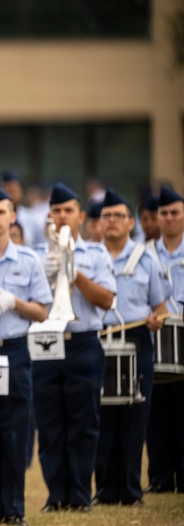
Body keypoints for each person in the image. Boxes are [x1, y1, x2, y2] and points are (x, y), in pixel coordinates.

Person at [0, 184, 51, 526]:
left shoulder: (28, 260)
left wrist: (14, 302)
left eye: (2, 211)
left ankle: (13, 508)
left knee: (15, 429)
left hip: (14, 349)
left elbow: (42, 311)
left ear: (13, 215)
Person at [33, 183, 115, 513]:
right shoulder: (37, 256)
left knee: (84, 423)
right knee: (50, 424)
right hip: (47, 343)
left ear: (81, 216)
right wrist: (50, 272)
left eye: (68, 210)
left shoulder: (96, 254)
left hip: (83, 342)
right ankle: (56, 495)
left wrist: (73, 271)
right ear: (49, 216)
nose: (62, 216)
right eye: (56, 211)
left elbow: (106, 300)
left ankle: (80, 494)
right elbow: (33, 304)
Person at [95, 189, 168, 506]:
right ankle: (104, 489)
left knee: (134, 415)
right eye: (106, 216)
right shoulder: (90, 257)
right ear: (99, 223)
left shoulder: (146, 259)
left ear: (130, 222)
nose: (112, 221)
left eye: (119, 216)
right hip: (98, 338)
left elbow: (160, 308)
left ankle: (129, 489)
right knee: (101, 416)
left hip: (136, 340)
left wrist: (156, 320)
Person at [147, 186, 184, 493]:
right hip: (155, 335)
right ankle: (159, 477)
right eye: (164, 213)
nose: (169, 218)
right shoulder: (145, 254)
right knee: (156, 408)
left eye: (175, 212)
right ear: (157, 217)